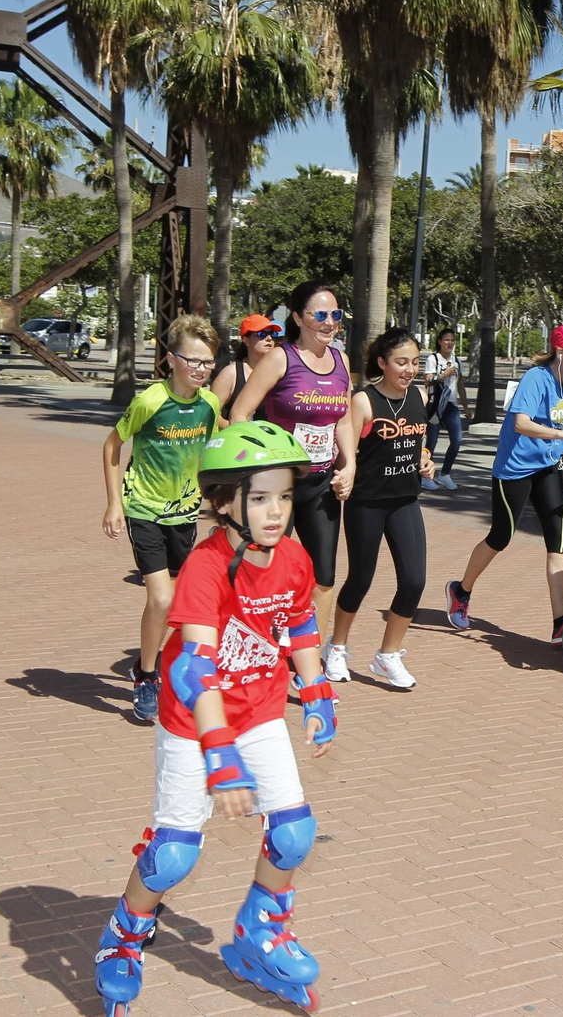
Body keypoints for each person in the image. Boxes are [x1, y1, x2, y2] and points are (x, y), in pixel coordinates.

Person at [92, 421, 337, 1017]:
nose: (276, 511)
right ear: (223, 501)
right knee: (174, 853)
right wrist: (220, 756)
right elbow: (193, 671)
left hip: (259, 710)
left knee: (293, 834)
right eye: (259, 498)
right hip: (192, 722)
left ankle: (261, 932)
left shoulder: (293, 556)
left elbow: (299, 622)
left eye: (283, 496)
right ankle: (124, 936)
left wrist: (318, 688)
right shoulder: (205, 568)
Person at [445, 324, 563, 645]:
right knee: (500, 537)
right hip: (514, 470)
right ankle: (461, 590)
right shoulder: (536, 379)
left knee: (559, 544)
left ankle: (559, 623)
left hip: (548, 469)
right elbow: (522, 423)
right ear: (562, 353)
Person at [230, 281, 356, 680]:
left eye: (336, 315)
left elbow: (345, 418)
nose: (329, 323)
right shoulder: (280, 360)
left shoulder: (342, 361)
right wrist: (261, 469)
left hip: (321, 484)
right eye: (320, 315)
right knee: (267, 571)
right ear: (299, 317)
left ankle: (305, 661)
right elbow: (240, 415)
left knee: (324, 577)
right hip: (279, 488)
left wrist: (349, 464)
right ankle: (259, 647)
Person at [102, 314, 224, 721]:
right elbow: (111, 445)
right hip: (144, 508)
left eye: (208, 363)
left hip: (184, 514)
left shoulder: (209, 404)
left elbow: (215, 447)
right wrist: (114, 503)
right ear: (171, 359)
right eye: (193, 361)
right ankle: (147, 676)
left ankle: (172, 669)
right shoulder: (150, 401)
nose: (201, 370)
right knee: (161, 597)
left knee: (183, 605)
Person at [330, 328, 437, 689]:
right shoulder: (364, 400)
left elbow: (419, 441)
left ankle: (387, 656)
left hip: (405, 500)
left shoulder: (419, 395)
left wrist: (425, 458)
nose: (409, 369)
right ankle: (337, 647)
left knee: (414, 580)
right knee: (360, 578)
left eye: (415, 362)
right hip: (367, 502)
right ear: (382, 363)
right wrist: (345, 471)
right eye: (401, 362)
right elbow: (345, 448)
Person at [210, 314, 282, 424]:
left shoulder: (281, 372)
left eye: (272, 334)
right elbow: (211, 413)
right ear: (245, 340)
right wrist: (231, 428)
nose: (269, 338)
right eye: (262, 334)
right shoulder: (231, 374)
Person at [421, 327, 468, 491]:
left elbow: (460, 385)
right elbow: (427, 381)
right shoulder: (433, 359)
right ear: (440, 341)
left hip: (451, 406)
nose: (450, 343)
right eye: (447, 340)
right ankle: (426, 477)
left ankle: (445, 474)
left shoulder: (457, 361)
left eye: (452, 340)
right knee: (431, 442)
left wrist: (466, 406)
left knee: (457, 440)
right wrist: (444, 374)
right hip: (435, 405)